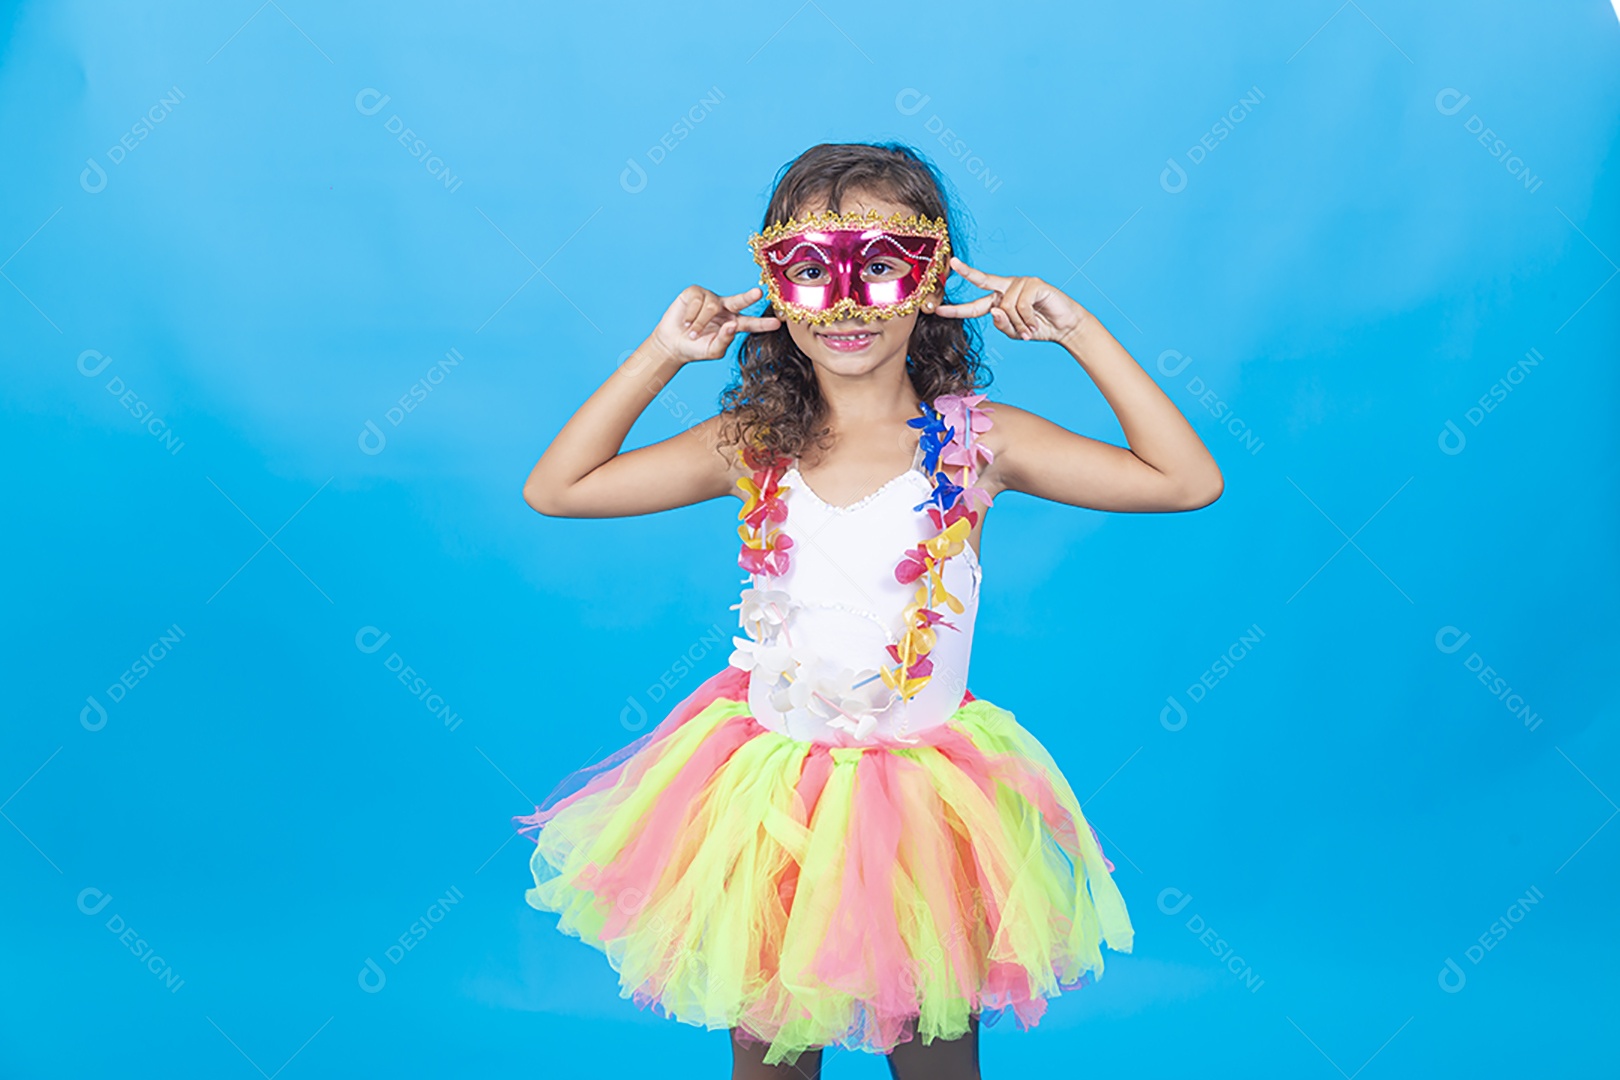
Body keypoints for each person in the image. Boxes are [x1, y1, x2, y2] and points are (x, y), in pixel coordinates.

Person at [513, 141, 1223, 1080]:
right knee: (768, 1053)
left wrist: (1078, 329)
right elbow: (559, 488)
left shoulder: (980, 443)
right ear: (772, 285)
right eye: (811, 271)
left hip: (924, 808)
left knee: (935, 1052)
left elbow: (1185, 480)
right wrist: (663, 354)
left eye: (881, 266)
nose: (847, 304)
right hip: (768, 804)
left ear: (929, 281)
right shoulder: (748, 443)